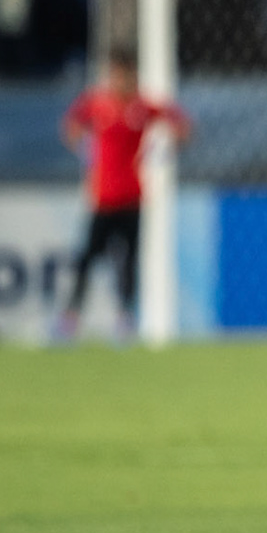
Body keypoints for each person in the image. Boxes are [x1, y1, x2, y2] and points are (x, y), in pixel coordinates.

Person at [59, 47, 190, 340]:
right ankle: (70, 318)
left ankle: (124, 319)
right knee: (87, 258)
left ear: (133, 75)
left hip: (132, 197)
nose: (121, 81)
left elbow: (182, 125)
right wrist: (85, 150)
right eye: (116, 74)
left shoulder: (143, 106)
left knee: (128, 261)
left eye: (126, 75)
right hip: (103, 199)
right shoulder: (97, 103)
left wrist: (163, 151)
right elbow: (70, 125)